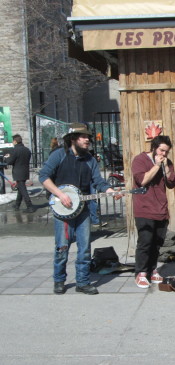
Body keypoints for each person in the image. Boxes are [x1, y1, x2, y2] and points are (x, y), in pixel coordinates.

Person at [39, 123, 121, 295]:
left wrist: (110, 191)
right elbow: (44, 177)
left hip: (83, 209)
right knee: (62, 247)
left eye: (88, 138)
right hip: (63, 210)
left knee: (84, 248)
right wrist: (60, 194)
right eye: (84, 137)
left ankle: (82, 282)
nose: (87, 141)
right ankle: (59, 280)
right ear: (73, 139)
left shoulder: (90, 160)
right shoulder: (59, 155)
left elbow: (98, 181)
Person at [131, 135, 175, 289]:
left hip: (161, 208)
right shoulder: (140, 160)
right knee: (145, 242)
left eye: (166, 152)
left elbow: (171, 183)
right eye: (161, 150)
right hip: (144, 208)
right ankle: (141, 273)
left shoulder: (167, 162)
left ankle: (152, 269)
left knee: (157, 242)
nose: (164, 154)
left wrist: (166, 169)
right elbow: (142, 180)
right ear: (154, 147)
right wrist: (157, 166)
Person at [5, 134, 34, 213]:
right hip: (25, 171)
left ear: (15, 141)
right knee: (20, 189)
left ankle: (30, 206)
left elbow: (10, 162)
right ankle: (17, 205)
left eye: (13, 141)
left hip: (18, 172)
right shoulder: (27, 150)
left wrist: (7, 157)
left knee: (23, 190)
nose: (12, 142)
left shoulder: (14, 150)